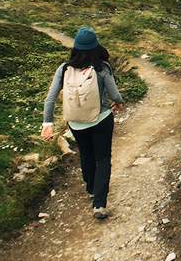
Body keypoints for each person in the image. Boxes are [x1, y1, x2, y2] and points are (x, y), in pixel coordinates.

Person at [41, 26, 124, 219]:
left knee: (86, 154)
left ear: (75, 48)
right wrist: (119, 102)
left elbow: (50, 98)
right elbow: (113, 93)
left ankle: (92, 188)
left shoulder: (64, 69)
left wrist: (48, 123)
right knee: (103, 159)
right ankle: (99, 204)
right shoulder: (102, 67)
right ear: (96, 47)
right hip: (101, 119)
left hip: (76, 123)